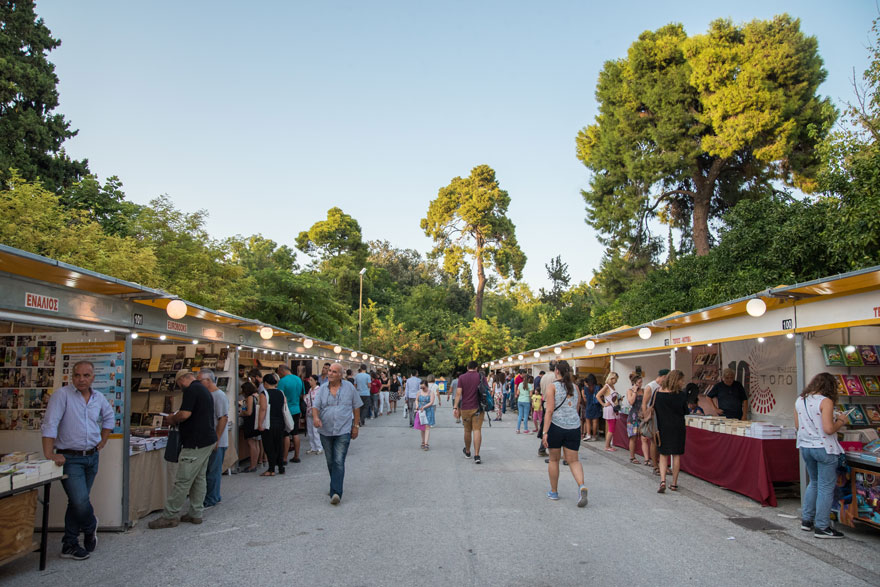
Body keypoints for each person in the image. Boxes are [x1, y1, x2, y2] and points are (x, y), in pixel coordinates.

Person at [41, 361, 114, 560]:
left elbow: (109, 417)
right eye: (77, 375)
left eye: (86, 375)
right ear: (72, 377)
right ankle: (90, 525)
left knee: (75, 503)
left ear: (93, 377)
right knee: (80, 501)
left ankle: (69, 544)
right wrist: (49, 454)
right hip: (70, 458)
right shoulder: (62, 396)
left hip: (91, 457)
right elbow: (50, 424)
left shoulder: (98, 398)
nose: (81, 379)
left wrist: (103, 440)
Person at [149, 370, 218, 529]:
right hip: (206, 440)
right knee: (199, 478)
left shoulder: (192, 390)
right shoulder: (202, 389)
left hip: (195, 442)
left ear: (182, 379)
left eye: (178, 383)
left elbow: (185, 414)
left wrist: (172, 418)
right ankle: (196, 513)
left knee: (183, 479)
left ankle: (170, 516)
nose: (179, 386)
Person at [794, 372, 847, 539]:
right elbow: (828, 429)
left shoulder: (800, 400)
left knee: (814, 482)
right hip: (824, 447)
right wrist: (841, 421)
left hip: (806, 446)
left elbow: (797, 426)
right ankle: (822, 526)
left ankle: (807, 519)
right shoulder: (826, 401)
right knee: (825, 487)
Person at [312, 362, 362, 505]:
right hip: (325, 430)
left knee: (338, 460)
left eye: (334, 372)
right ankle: (335, 484)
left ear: (340, 375)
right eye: (329, 371)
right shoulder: (322, 389)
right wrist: (315, 418)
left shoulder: (349, 388)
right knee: (330, 461)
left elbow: (356, 407)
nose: (330, 373)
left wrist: (356, 426)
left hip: (343, 429)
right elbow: (316, 406)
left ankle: (336, 492)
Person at [542, 360, 589, 507]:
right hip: (573, 427)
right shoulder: (575, 387)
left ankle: (554, 491)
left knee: (554, 460)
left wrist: (545, 432)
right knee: (574, 460)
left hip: (556, 426)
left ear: (556, 371)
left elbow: (549, 411)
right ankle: (581, 486)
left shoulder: (552, 387)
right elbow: (575, 409)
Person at [653, 370, 689, 493]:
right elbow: (686, 411)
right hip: (678, 427)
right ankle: (674, 483)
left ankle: (663, 480)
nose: (683, 383)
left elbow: (654, 409)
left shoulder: (657, 393)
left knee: (663, 455)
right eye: (681, 380)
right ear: (676, 380)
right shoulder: (681, 395)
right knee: (676, 455)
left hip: (663, 427)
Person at [198, 369, 228, 508]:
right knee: (210, 470)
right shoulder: (209, 395)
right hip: (211, 439)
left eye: (200, 381)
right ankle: (213, 496)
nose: (198, 384)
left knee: (213, 471)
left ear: (208, 381)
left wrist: (216, 439)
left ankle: (212, 498)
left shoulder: (219, 396)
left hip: (217, 441)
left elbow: (223, 418)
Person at [453, 361, 484, 464]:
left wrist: (455, 407)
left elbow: (458, 393)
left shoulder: (462, 377)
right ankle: (477, 455)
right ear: (476, 368)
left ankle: (467, 451)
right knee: (477, 430)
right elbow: (486, 391)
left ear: (467, 367)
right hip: (478, 408)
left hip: (465, 408)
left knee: (467, 431)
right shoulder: (481, 376)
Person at [257, 373, 287, 476]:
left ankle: (271, 469)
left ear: (265, 383)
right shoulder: (281, 392)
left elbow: (263, 409)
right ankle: (281, 467)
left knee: (269, 446)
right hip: (280, 422)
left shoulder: (264, 394)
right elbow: (284, 406)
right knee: (279, 445)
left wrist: (259, 423)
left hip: (269, 423)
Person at [276, 364, 304, 465]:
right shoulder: (298, 379)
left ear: (283, 371)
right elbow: (302, 394)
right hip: (296, 408)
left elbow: (279, 396)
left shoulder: (282, 381)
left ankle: (284, 458)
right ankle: (296, 456)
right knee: (295, 433)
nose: (279, 374)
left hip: (286, 410)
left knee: (286, 434)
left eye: (279, 372)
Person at [642, 369, 667, 473]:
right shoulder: (650, 386)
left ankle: (659, 464)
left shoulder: (663, 387)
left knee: (659, 441)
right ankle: (655, 465)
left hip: (661, 417)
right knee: (653, 441)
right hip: (653, 417)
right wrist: (646, 417)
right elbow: (644, 403)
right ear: (664, 376)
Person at [239, 374, 263, 471]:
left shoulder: (249, 398)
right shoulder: (257, 396)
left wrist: (241, 412)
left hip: (250, 423)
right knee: (256, 444)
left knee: (251, 444)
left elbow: (249, 412)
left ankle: (252, 466)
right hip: (257, 422)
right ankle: (255, 463)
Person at [626, 372, 647, 465]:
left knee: (644, 438)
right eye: (639, 382)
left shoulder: (643, 391)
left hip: (642, 416)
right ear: (634, 383)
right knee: (633, 438)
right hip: (633, 417)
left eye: (641, 382)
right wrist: (634, 391)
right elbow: (631, 402)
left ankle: (646, 459)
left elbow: (646, 402)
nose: (641, 384)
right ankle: (632, 456)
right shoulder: (630, 391)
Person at [538, 361, 556, 458]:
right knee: (551, 427)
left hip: (545, 402)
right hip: (552, 404)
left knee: (546, 425)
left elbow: (542, 391)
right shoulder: (555, 377)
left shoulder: (544, 377)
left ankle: (542, 447)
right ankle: (548, 449)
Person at [596, 372, 619, 452]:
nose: (615, 381)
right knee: (611, 428)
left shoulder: (611, 386)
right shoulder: (607, 386)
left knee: (611, 427)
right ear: (611, 378)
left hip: (612, 408)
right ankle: (607, 446)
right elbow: (598, 395)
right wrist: (604, 404)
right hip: (609, 408)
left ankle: (608, 445)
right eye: (614, 379)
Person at [413, 381, 437, 449]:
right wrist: (417, 405)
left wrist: (424, 407)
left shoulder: (431, 392)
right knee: (422, 427)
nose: (422, 389)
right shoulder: (419, 392)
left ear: (426, 386)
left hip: (428, 410)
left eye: (424, 387)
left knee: (427, 427)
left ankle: (426, 443)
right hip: (421, 411)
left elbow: (431, 402)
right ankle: (423, 442)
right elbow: (416, 400)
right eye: (421, 387)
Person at [304, 374, 323, 455]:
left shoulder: (319, 390)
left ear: (316, 381)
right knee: (310, 431)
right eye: (309, 380)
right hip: (309, 412)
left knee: (316, 431)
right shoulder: (310, 390)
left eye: (311, 380)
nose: (309, 381)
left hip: (316, 413)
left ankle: (319, 447)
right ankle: (313, 447)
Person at [583, 373, 602, 442]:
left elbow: (585, 398)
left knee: (588, 421)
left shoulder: (586, 388)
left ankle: (588, 434)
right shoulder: (597, 387)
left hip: (588, 405)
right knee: (595, 422)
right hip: (596, 405)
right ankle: (594, 436)